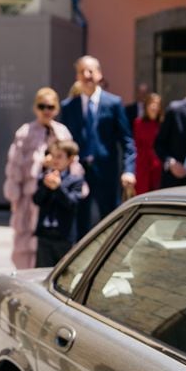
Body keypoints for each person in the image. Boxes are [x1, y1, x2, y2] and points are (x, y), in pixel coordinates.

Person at [3, 87, 82, 269]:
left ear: (56, 108)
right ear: (35, 108)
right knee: (25, 246)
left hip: (54, 201)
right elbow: (14, 168)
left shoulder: (62, 132)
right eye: (42, 106)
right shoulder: (25, 132)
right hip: (29, 198)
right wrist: (14, 197)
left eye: (50, 106)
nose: (46, 110)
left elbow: (73, 165)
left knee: (52, 255)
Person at [58, 56, 136, 238]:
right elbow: (64, 143)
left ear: (99, 74)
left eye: (90, 71)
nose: (87, 75)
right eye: (82, 71)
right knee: (81, 225)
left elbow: (127, 141)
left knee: (111, 222)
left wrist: (129, 170)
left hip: (106, 172)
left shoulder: (113, 103)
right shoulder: (68, 106)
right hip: (78, 174)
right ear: (77, 76)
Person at [33, 139, 87, 267]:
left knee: (64, 270)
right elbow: (36, 200)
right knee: (42, 269)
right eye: (53, 155)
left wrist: (58, 188)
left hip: (64, 235)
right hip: (45, 234)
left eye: (59, 156)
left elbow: (71, 203)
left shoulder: (76, 180)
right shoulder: (44, 177)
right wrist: (45, 186)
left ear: (70, 159)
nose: (55, 160)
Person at [133, 92, 163, 194]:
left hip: (158, 165)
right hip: (142, 165)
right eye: (151, 103)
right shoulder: (138, 123)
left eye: (157, 104)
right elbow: (136, 145)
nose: (154, 107)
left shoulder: (162, 124)